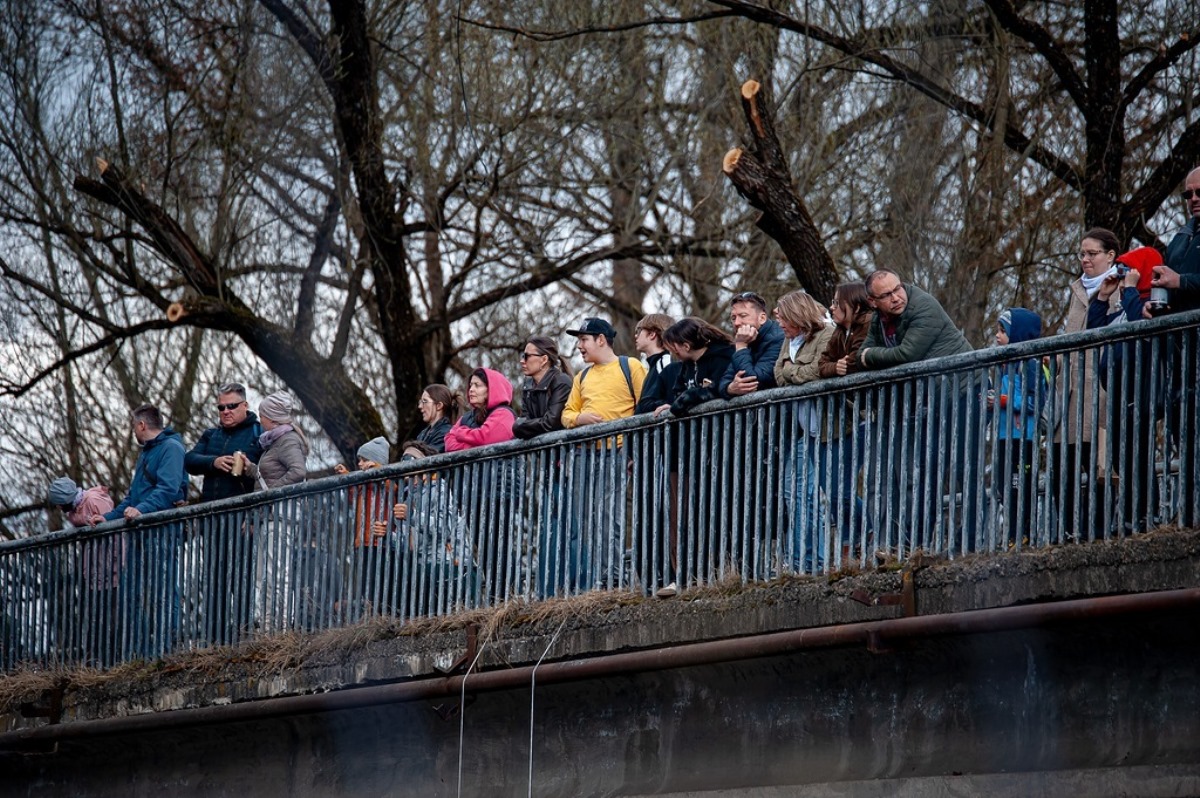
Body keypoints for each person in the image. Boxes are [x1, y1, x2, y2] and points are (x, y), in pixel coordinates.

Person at [857, 270, 976, 551]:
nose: (896, 297)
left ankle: (968, 544)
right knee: (930, 474)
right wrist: (866, 355)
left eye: (897, 289)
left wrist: (867, 357)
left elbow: (905, 354)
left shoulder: (923, 306)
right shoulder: (880, 318)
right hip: (934, 401)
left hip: (964, 392)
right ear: (873, 301)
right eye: (886, 295)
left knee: (964, 471)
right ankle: (916, 545)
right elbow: (867, 348)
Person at [95, 404, 188, 660]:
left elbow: (168, 489)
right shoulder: (146, 454)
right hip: (141, 533)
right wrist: (106, 518)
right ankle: (140, 654)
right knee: (131, 591)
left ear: (141, 426)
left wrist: (141, 510)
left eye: (133, 426)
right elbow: (132, 498)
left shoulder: (171, 448)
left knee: (163, 590)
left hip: (162, 530)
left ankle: (166, 652)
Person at [1047, 228, 1122, 543]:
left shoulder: (1119, 287)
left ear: (1110, 255)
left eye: (1092, 253)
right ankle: (1068, 532)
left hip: (1101, 391)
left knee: (1102, 468)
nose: (1085, 259)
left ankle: (1100, 532)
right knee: (1060, 468)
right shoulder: (1076, 290)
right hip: (1069, 394)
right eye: (1082, 253)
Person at [562, 318, 647, 591]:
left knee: (610, 517)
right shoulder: (581, 377)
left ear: (601, 339)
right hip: (584, 456)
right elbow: (566, 415)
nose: (579, 346)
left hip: (617, 451)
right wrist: (580, 418)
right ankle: (599, 577)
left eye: (583, 339)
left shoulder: (629, 366)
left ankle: (614, 577)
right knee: (586, 521)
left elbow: (644, 406)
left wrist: (635, 451)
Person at [653, 317, 735, 596]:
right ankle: (683, 575)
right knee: (681, 515)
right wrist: (694, 394)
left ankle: (714, 572)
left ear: (685, 345)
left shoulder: (723, 356)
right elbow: (680, 394)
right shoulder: (687, 365)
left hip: (715, 450)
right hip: (686, 451)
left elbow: (717, 391)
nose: (672, 352)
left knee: (710, 513)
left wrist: (697, 394)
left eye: (674, 346)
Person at [1088, 246, 1165, 533]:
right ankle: (1132, 514)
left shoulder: (1151, 301)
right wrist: (1103, 297)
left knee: (1138, 455)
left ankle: (1147, 514)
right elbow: (1094, 330)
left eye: (1127, 270)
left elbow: (1139, 324)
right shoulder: (1122, 304)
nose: (1121, 277)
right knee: (1123, 457)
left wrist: (1131, 289)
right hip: (1119, 391)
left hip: (1141, 388)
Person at [444, 368, 520, 601]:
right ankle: (495, 597)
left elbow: (489, 437)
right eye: (471, 385)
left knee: (499, 543)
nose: (471, 390)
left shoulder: (504, 413)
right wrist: (473, 440)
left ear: (492, 388)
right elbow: (449, 443)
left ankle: (507, 596)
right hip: (473, 492)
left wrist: (465, 437)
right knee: (483, 546)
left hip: (498, 491)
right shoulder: (467, 417)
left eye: (477, 385)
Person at [773, 291, 835, 573]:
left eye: (784, 318)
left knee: (818, 495)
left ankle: (816, 562)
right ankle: (801, 562)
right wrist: (792, 371)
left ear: (798, 315)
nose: (780, 324)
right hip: (803, 429)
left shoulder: (826, 333)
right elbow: (777, 374)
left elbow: (816, 371)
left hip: (826, 426)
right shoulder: (788, 340)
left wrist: (791, 371)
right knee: (793, 493)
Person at [817, 282, 875, 559]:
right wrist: (836, 367)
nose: (831, 307)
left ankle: (867, 535)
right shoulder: (840, 331)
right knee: (836, 489)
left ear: (854, 304)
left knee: (843, 488)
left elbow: (860, 359)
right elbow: (823, 364)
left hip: (868, 416)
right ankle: (856, 541)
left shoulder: (868, 323)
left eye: (836, 302)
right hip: (856, 415)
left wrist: (842, 366)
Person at [242, 391, 309, 632]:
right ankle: (268, 625)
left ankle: (278, 628)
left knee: (277, 574)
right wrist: (251, 469)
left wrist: (271, 493)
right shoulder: (274, 442)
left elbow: (298, 471)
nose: (260, 420)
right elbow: (270, 475)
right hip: (271, 516)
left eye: (262, 416)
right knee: (267, 575)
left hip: (282, 516)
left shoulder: (287, 440)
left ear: (273, 418)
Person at [389, 441, 477, 614]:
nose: (405, 467)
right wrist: (387, 535)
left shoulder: (439, 488)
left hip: (454, 568)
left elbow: (445, 528)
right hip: (427, 570)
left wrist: (412, 516)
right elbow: (408, 544)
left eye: (409, 460)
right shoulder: (408, 499)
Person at [989, 309, 1046, 547]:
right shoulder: (1003, 365)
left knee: (1020, 486)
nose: (997, 336)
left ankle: (1025, 533)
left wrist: (1004, 400)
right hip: (1004, 437)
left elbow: (1035, 402)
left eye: (1003, 331)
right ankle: (1012, 534)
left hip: (1024, 437)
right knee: (1005, 487)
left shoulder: (1031, 365)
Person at [49, 476, 118, 665]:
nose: (59, 509)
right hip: (95, 568)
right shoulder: (76, 509)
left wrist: (115, 565)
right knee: (95, 616)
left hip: (110, 567)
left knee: (112, 614)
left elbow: (114, 532)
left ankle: (113, 658)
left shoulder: (94, 501)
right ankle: (95, 660)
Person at [335, 436, 396, 618]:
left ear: (376, 462)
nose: (360, 464)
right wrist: (346, 476)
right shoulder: (363, 484)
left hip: (381, 543)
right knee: (365, 585)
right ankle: (370, 617)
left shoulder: (387, 480)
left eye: (364, 460)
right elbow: (353, 495)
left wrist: (380, 472)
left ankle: (383, 616)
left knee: (380, 582)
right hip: (361, 542)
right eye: (359, 460)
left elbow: (393, 490)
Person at [184, 382, 263, 502]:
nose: (226, 411)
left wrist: (249, 469)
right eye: (221, 407)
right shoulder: (211, 434)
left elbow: (273, 473)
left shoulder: (260, 433)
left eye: (231, 406)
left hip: (244, 512)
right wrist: (213, 462)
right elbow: (189, 461)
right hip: (210, 513)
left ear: (245, 405)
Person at [720, 291, 785, 398]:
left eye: (743, 316)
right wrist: (730, 388)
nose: (736, 323)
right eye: (733, 318)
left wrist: (741, 346)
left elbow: (753, 381)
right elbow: (724, 380)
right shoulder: (744, 340)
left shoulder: (778, 338)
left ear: (762, 318)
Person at [512, 336, 573, 439]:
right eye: (523, 356)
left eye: (527, 356)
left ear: (544, 359)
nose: (522, 361)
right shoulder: (528, 385)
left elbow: (550, 423)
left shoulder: (561, 382)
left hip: (562, 451)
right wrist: (520, 426)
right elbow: (522, 424)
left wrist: (521, 426)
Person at [633, 313, 677, 414]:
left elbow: (673, 399)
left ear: (652, 334)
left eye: (639, 331)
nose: (635, 336)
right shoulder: (655, 366)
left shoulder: (666, 364)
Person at [415, 384, 459, 453]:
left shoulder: (446, 433)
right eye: (420, 402)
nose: (420, 406)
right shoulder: (423, 434)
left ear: (439, 406)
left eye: (425, 401)